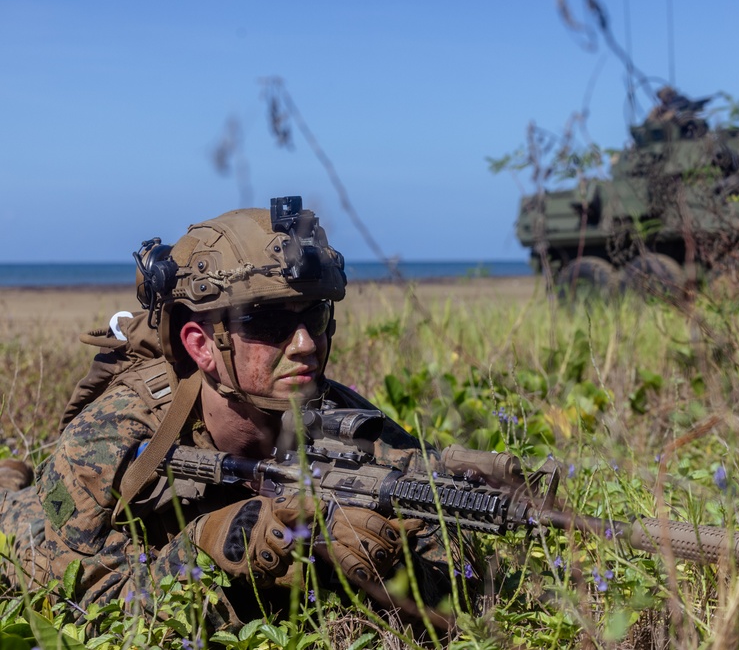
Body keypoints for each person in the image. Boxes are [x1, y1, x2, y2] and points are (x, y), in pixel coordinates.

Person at [0, 199, 477, 631]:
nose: (305, 344)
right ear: (202, 345)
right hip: (35, 525)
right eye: (269, 323)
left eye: (314, 317)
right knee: (12, 518)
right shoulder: (111, 435)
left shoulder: (352, 425)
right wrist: (209, 545)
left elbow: (458, 557)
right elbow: (84, 601)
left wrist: (391, 564)